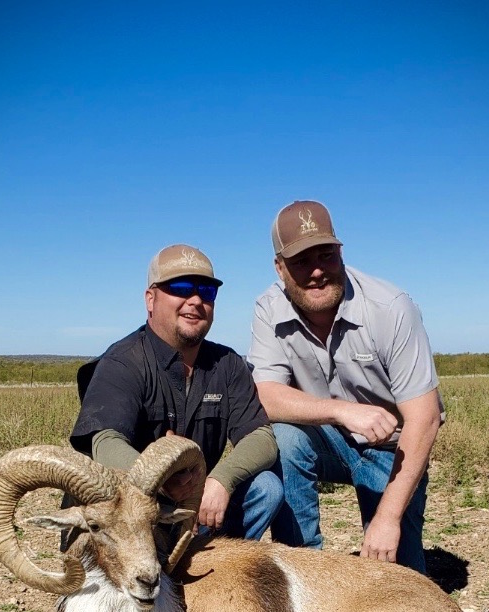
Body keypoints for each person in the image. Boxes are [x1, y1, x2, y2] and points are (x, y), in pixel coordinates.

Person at [247, 201, 445, 573]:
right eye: (302, 261)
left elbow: (425, 418)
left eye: (326, 255)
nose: (317, 271)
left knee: (397, 579)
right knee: (283, 437)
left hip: (392, 450)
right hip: (326, 441)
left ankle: (388, 542)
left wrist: (387, 518)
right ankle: (303, 569)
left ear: (341, 252)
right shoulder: (267, 308)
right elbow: (266, 395)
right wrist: (342, 410)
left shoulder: (390, 307)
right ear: (279, 267)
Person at [70, 244, 282, 540]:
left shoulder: (228, 364)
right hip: (133, 514)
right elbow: (105, 442)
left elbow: (261, 437)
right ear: (150, 299)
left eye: (207, 291)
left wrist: (220, 480)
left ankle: (214, 572)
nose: (195, 300)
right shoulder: (122, 362)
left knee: (266, 488)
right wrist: (158, 479)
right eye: (180, 287)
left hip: (198, 506)